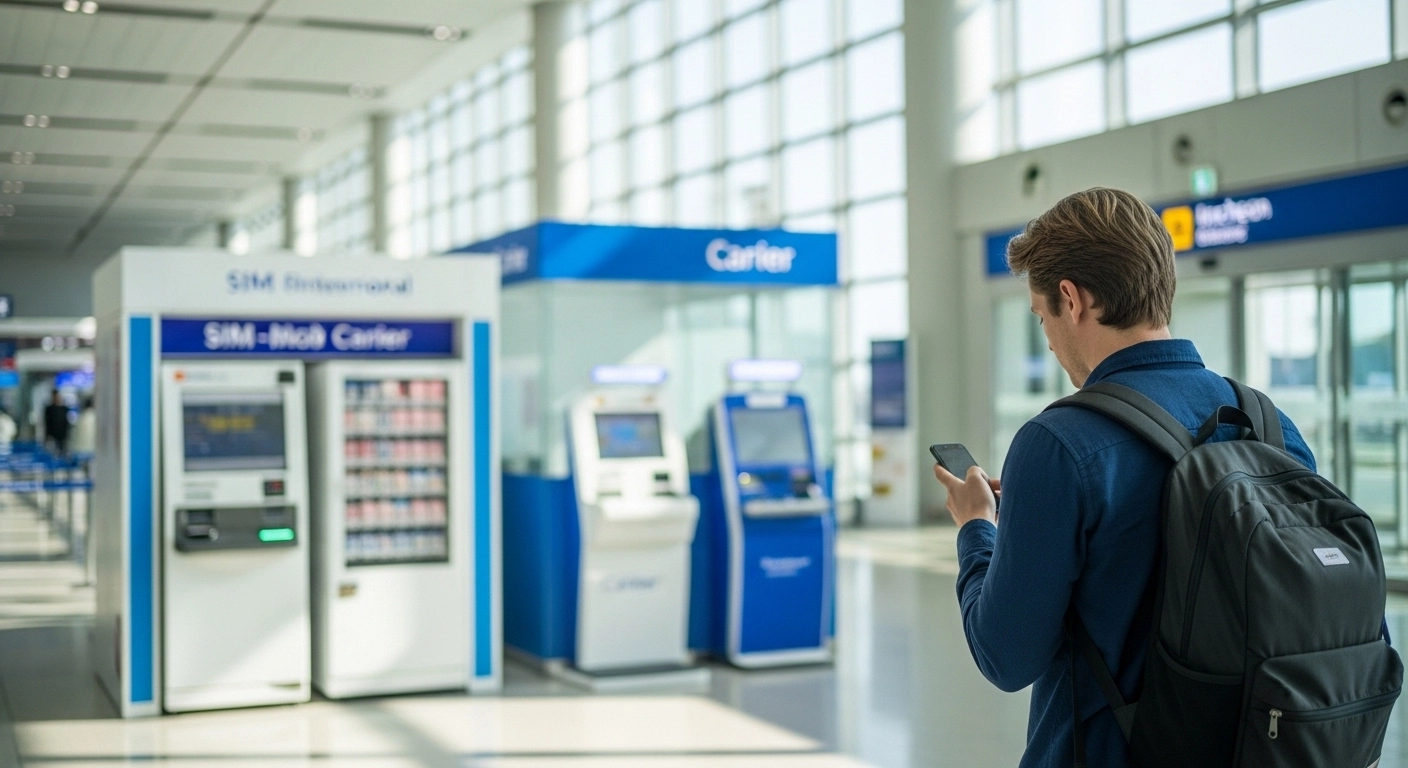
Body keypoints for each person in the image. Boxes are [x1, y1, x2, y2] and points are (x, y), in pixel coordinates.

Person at [932, 188, 1316, 768]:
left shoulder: (1059, 443)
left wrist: (977, 528)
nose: (1050, 339)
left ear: (1071, 299)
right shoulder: (1267, 422)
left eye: (1042, 317)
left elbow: (1005, 657)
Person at [43, 389, 72, 455]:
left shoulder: (64, 409)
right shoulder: (49, 409)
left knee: (63, 451)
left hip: (62, 434)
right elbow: (47, 423)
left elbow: (66, 422)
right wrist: (47, 436)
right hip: (53, 435)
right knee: (54, 452)